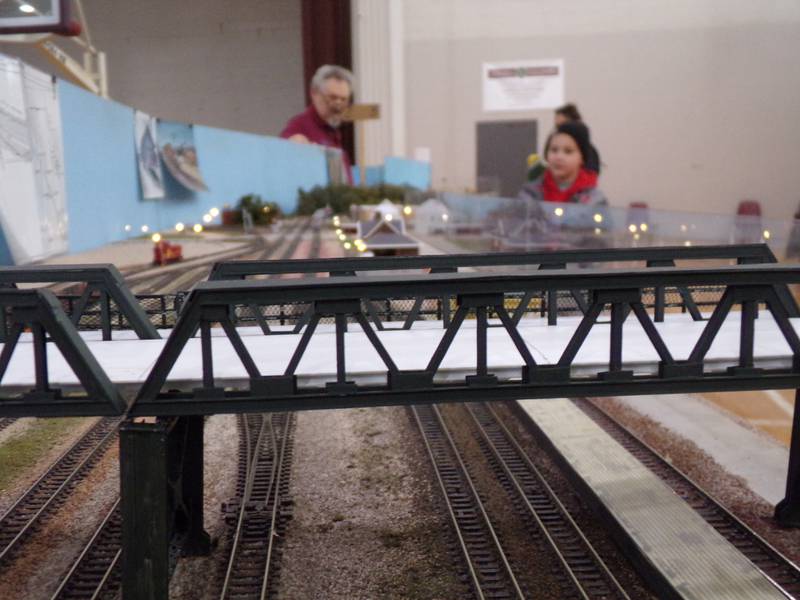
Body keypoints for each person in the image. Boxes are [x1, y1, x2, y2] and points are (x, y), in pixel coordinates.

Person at [280, 64, 355, 183]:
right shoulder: (299, 127)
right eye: (332, 98)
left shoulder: (332, 129)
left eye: (344, 99)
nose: (338, 105)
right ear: (314, 93)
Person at [519, 121, 607, 206]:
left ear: (582, 158)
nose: (559, 157)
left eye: (568, 151)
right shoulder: (530, 193)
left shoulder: (594, 200)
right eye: (554, 150)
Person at [552, 102, 601, 174]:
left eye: (562, 126)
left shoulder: (589, 152)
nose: (559, 132)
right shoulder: (555, 149)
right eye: (557, 127)